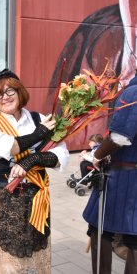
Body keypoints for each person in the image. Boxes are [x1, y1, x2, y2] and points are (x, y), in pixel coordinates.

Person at [0, 69, 69, 273]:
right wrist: (40, 134)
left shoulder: (39, 118)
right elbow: (9, 147)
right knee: (0, 258)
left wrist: (34, 159)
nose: (4, 97)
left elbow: (61, 155)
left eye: (10, 91)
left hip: (36, 197)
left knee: (33, 256)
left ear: (20, 92)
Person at [83, 75, 137, 273]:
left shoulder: (133, 92)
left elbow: (119, 138)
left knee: (100, 230)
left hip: (125, 179)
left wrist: (97, 154)